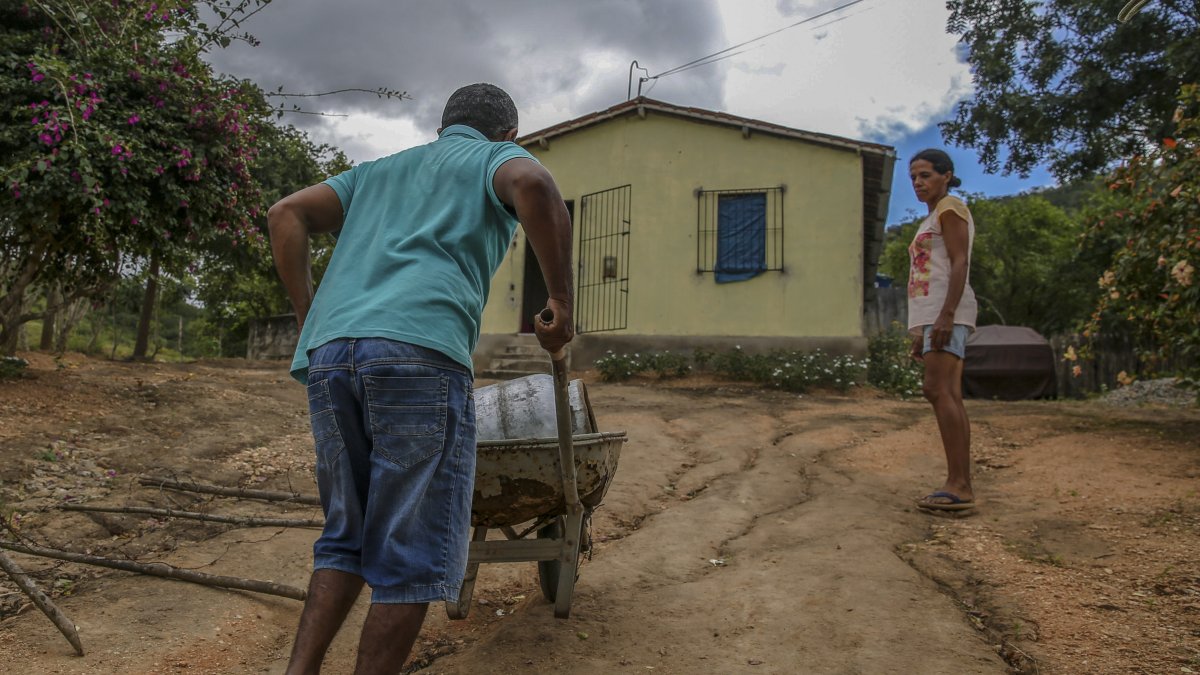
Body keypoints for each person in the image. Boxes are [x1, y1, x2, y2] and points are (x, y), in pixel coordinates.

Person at [268, 83, 574, 674]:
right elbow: (536, 187)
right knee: (409, 552)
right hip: (418, 353)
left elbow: (287, 214)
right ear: (509, 134)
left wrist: (312, 318)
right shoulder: (494, 160)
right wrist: (559, 299)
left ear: (443, 125)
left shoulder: (377, 172)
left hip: (334, 356)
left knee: (345, 537)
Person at [906, 149, 977, 512]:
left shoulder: (951, 207)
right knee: (946, 392)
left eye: (926, 175)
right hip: (934, 315)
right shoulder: (933, 216)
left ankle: (959, 484)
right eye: (914, 177)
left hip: (946, 312)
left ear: (946, 175)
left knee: (937, 390)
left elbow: (959, 260)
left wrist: (946, 315)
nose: (918, 182)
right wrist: (921, 331)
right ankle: (960, 483)